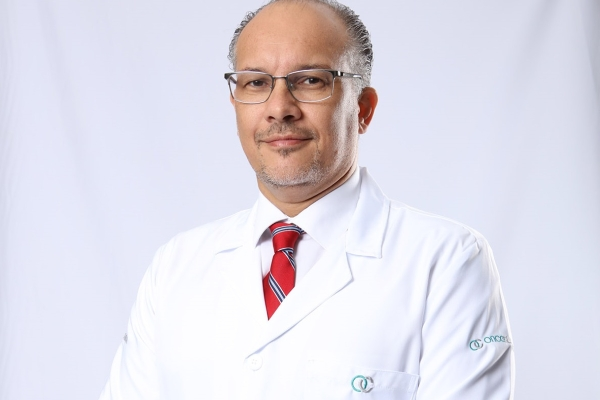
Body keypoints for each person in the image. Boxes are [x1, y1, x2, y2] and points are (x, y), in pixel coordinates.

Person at [99, 0, 514, 399]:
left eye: (310, 80)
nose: (279, 108)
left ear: (363, 109)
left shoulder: (447, 261)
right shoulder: (175, 267)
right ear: (235, 103)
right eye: (256, 82)